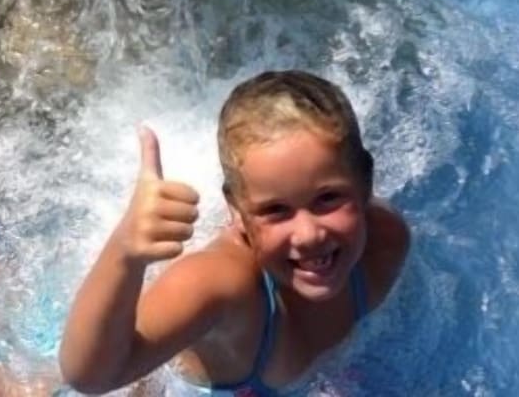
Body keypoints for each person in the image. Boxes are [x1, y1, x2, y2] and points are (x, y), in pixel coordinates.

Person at [59, 69, 410, 396]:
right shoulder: (221, 285)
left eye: (328, 198)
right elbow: (92, 377)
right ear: (237, 212)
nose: (308, 235)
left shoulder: (386, 241)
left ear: (365, 184)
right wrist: (125, 252)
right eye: (275, 210)